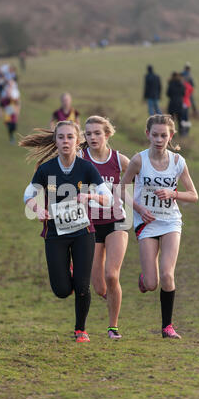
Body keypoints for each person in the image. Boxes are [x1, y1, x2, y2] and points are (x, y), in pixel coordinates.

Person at [19, 121, 113, 343]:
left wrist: (89, 197)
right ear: (55, 141)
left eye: (70, 137)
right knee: (62, 290)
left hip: (83, 232)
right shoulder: (46, 170)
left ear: (77, 141)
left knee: (82, 286)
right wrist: (38, 209)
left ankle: (80, 329)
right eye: (61, 137)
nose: (65, 141)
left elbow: (107, 198)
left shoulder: (87, 168)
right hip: (55, 235)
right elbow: (27, 196)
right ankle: (69, 271)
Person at [121, 114, 198, 339]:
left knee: (167, 274)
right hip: (146, 222)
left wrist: (174, 193)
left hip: (171, 221)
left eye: (164, 135)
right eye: (155, 134)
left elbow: (193, 195)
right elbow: (120, 188)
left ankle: (167, 327)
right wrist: (138, 208)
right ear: (148, 134)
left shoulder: (178, 162)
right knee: (153, 282)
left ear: (170, 136)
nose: (159, 139)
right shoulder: (138, 160)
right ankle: (144, 279)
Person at [79, 116, 130, 340]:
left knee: (112, 274)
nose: (92, 137)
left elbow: (142, 179)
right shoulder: (80, 159)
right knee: (100, 287)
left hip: (116, 222)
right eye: (88, 134)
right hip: (90, 225)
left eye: (97, 133)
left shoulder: (120, 160)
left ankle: (113, 327)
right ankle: (113, 299)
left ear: (107, 134)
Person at [0, 79, 21, 143]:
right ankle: (11, 137)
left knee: (14, 127)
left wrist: (17, 111)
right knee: (9, 126)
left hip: (13, 114)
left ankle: (12, 135)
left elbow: (18, 104)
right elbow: (0, 105)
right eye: (8, 93)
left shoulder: (14, 98)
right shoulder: (4, 99)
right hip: (7, 115)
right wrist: (0, 113)